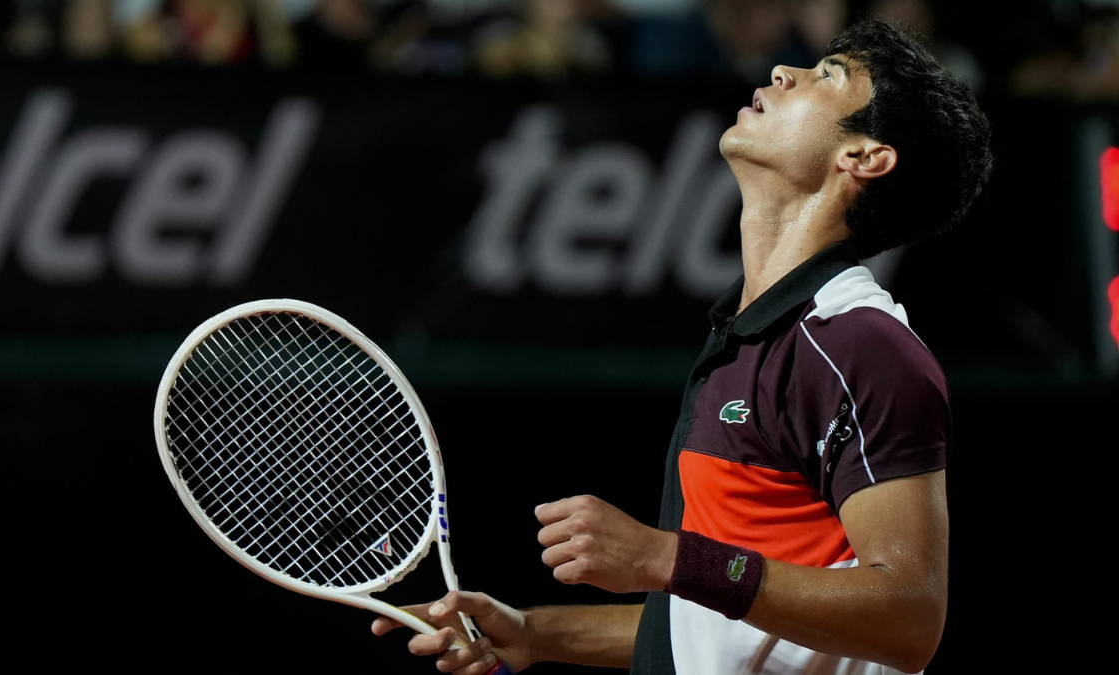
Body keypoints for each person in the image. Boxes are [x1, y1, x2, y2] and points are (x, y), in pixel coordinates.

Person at [371, 17, 993, 675]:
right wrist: (535, 632)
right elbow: (718, 620)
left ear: (864, 156)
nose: (785, 73)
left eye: (827, 77)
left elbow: (908, 617)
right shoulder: (750, 330)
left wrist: (665, 557)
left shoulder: (860, 343)